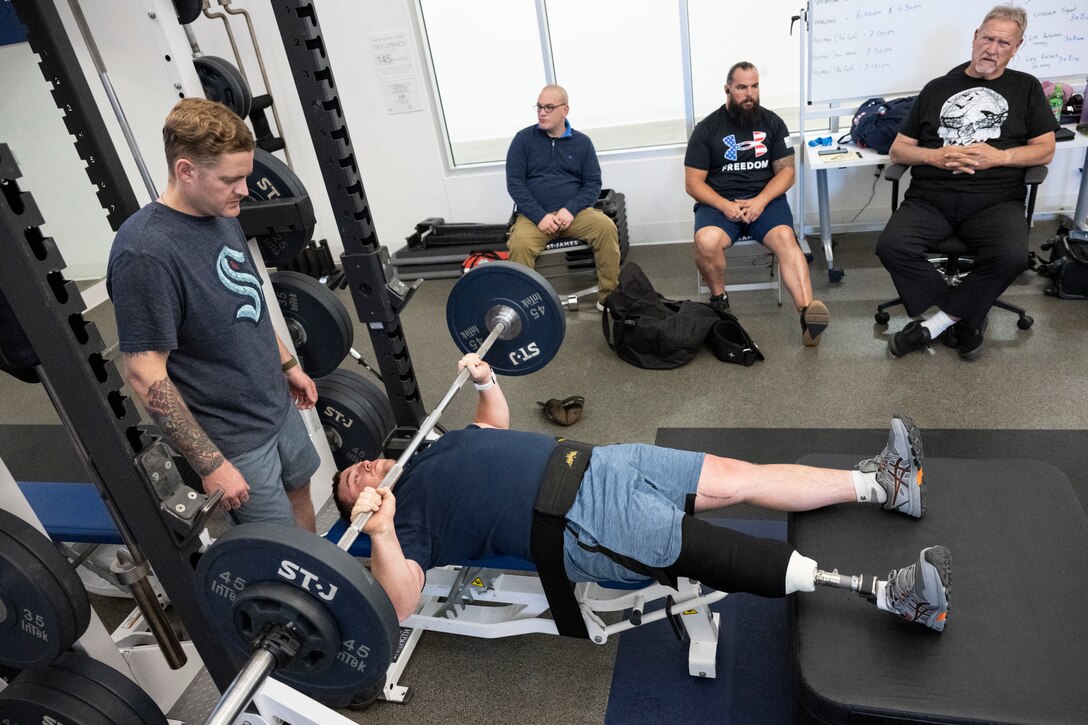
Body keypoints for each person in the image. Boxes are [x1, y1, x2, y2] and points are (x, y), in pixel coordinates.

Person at [334, 353, 951, 633]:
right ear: (356, 509)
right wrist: (382, 530)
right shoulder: (401, 516)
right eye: (349, 480)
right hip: (579, 518)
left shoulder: (433, 449)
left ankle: (883, 484)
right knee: (721, 551)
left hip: (606, 460)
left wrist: (487, 379)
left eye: (356, 463)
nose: (360, 466)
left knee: (738, 474)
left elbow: (493, 424)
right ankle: (892, 597)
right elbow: (400, 601)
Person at [107, 98, 321, 530]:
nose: (244, 189)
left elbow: (248, 304)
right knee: (276, 544)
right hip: (232, 435)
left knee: (299, 489)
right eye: (232, 179)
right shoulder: (144, 253)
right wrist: (211, 464)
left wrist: (287, 363)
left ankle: (323, 587)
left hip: (274, 404)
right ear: (186, 170)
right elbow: (144, 375)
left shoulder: (221, 212)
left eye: (245, 176)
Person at [877, 5, 1058, 360]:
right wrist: (934, 156)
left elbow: (1045, 150)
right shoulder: (937, 88)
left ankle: (934, 325)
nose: (991, 49)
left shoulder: (1026, 88)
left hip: (996, 200)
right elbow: (899, 150)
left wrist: (1001, 157)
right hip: (931, 197)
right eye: (987, 38)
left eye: (1003, 43)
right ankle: (965, 317)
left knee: (1011, 257)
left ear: (1016, 47)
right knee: (891, 247)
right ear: (975, 37)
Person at [684, 62, 829, 346]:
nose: (749, 94)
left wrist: (761, 201)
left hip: (765, 202)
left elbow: (787, 172)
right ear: (727, 89)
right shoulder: (706, 129)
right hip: (720, 204)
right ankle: (719, 299)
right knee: (706, 240)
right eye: (741, 87)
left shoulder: (773, 123)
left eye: (754, 86)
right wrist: (725, 206)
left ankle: (806, 314)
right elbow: (693, 183)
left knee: (787, 239)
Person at [505, 84, 621, 311]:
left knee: (606, 227)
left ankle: (610, 298)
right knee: (519, 245)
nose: (542, 112)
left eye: (549, 107)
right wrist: (540, 216)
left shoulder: (582, 143)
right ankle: (527, 308)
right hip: (534, 217)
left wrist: (570, 209)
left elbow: (592, 184)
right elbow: (515, 184)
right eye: (539, 107)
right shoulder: (523, 140)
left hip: (573, 214)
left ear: (565, 110)